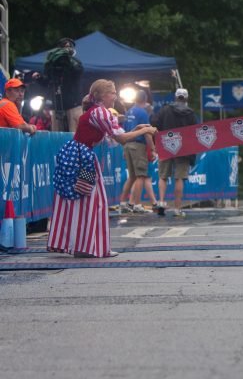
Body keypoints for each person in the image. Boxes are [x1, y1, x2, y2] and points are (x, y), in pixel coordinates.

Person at [47, 79, 156, 258]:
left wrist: (137, 128)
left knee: (85, 201)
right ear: (102, 96)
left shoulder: (97, 112)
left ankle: (84, 246)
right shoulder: (100, 113)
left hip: (79, 156)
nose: (115, 95)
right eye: (112, 92)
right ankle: (91, 247)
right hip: (81, 159)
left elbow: (116, 137)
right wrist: (144, 131)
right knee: (94, 202)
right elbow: (120, 139)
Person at [152, 88, 197, 217]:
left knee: (163, 176)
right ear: (186, 98)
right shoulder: (191, 113)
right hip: (183, 149)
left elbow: (154, 123)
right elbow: (195, 132)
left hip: (166, 145)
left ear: (176, 97)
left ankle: (161, 202)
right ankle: (177, 209)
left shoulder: (165, 110)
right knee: (179, 178)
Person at [119, 90, 158, 214]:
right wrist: (152, 148)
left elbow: (124, 132)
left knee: (132, 177)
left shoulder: (129, 112)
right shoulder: (143, 113)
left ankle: (123, 203)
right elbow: (146, 132)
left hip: (128, 144)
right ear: (145, 100)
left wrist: (124, 147)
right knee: (141, 176)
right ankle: (137, 205)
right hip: (138, 146)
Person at [35, 38, 84, 132]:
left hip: (73, 104)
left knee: (75, 134)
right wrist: (39, 78)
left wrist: (68, 61)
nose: (67, 49)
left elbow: (79, 72)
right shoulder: (53, 63)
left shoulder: (75, 62)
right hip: (57, 104)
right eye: (64, 47)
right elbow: (49, 81)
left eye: (69, 47)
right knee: (57, 133)